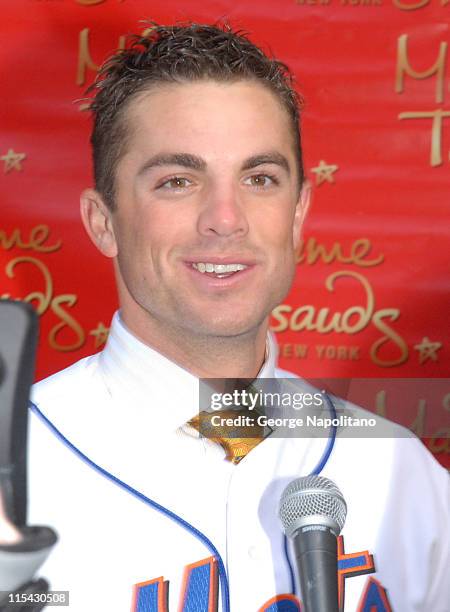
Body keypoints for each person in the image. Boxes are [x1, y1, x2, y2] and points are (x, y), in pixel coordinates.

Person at [24, 23, 448, 612]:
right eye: (177, 181)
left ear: (298, 215)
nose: (226, 218)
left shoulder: (399, 472)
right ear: (103, 222)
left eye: (259, 179)